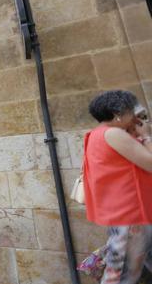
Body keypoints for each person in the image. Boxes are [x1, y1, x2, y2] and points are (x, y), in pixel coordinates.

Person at [84, 90, 152, 283]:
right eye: (131, 111)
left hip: (130, 212)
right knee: (123, 273)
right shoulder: (112, 134)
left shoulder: (99, 134)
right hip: (132, 214)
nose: (135, 117)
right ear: (118, 114)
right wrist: (146, 136)